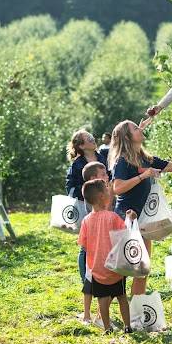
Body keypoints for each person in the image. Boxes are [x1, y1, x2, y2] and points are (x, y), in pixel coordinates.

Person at [109, 120, 172, 295]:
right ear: (127, 137)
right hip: (126, 218)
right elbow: (117, 188)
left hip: (143, 221)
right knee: (122, 269)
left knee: (142, 269)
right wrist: (144, 176)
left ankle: (137, 311)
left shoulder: (146, 159)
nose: (140, 129)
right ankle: (102, 314)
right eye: (136, 128)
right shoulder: (122, 161)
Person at [78, 179, 136, 334]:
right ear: (103, 196)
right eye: (107, 189)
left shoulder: (86, 220)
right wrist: (130, 218)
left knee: (102, 299)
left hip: (97, 267)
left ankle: (107, 327)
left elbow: (83, 243)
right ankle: (127, 326)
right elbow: (125, 233)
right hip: (116, 266)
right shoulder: (112, 217)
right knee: (122, 296)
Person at [65, 129, 108, 323]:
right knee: (87, 246)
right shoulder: (78, 164)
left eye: (92, 136)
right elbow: (70, 186)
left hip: (105, 202)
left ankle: (103, 277)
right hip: (87, 205)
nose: (93, 138)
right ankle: (87, 278)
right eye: (88, 138)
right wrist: (86, 196)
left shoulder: (103, 155)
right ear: (81, 145)